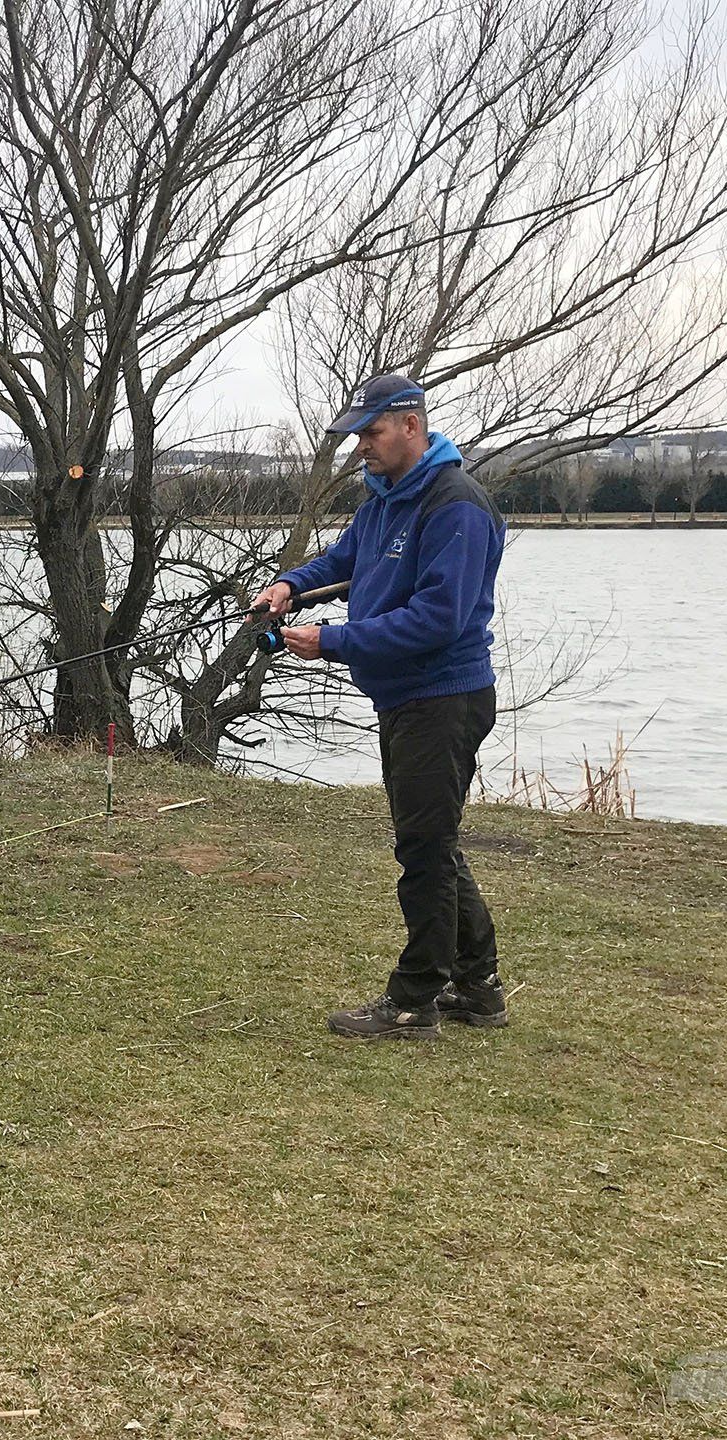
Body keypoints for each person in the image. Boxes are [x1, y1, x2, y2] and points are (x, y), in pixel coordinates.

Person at [252, 374, 507, 1041]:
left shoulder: (456, 506)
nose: (361, 446)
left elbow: (437, 618)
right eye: (358, 434)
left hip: (444, 697)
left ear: (411, 427)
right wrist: (288, 587)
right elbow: (344, 560)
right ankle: (476, 985)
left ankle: (414, 998)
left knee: (423, 848)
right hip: (405, 697)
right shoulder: (383, 502)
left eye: (370, 431)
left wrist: (333, 642)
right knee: (433, 842)